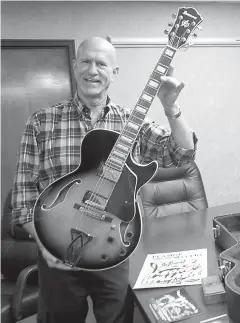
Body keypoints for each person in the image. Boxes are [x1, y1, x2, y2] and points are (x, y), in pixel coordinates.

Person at [10, 36, 198, 323]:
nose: (92, 70)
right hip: (57, 250)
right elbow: (23, 197)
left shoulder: (132, 122)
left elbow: (182, 155)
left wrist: (171, 106)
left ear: (114, 72)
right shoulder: (41, 122)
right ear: (74, 67)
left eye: (101, 63)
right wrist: (44, 245)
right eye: (85, 61)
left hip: (113, 249)